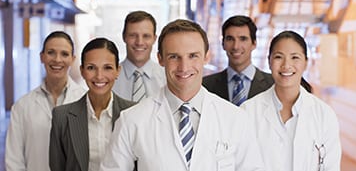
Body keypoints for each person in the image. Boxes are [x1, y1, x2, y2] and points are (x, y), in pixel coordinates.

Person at [100, 19, 265, 171]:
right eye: (174, 57)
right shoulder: (132, 120)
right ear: (160, 59)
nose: (183, 67)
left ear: (206, 57)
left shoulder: (235, 119)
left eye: (193, 56)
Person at [240, 30, 341, 171]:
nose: (286, 65)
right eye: (278, 57)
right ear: (269, 62)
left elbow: (330, 167)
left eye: (295, 57)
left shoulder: (324, 115)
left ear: (306, 63)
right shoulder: (248, 112)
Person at [49, 38, 136, 171]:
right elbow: (57, 167)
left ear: (117, 70)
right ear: (82, 71)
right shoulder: (61, 117)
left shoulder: (134, 112)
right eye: (91, 68)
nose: (99, 76)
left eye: (107, 68)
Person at [5, 31, 86, 171]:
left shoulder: (86, 102)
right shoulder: (22, 106)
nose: (57, 59)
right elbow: (14, 160)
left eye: (64, 54)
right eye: (51, 52)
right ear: (42, 57)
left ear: (73, 59)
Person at [203, 15, 274, 106]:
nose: (236, 46)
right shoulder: (206, 86)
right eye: (230, 39)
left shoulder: (273, 84)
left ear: (254, 44)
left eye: (243, 39)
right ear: (223, 44)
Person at [112, 10, 166, 102]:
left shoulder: (167, 78)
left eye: (146, 36)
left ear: (154, 39)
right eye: (133, 35)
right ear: (124, 37)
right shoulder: (109, 78)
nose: (139, 42)